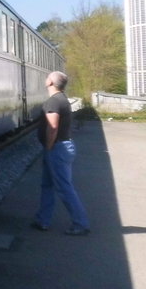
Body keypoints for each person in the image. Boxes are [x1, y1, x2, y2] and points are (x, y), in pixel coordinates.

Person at [31, 70, 91, 235]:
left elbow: (53, 128)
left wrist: (49, 147)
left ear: (51, 82)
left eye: (47, 77)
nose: (46, 79)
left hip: (57, 148)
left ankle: (81, 223)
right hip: (62, 147)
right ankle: (43, 220)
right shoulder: (62, 99)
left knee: (64, 188)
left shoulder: (53, 102)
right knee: (48, 185)